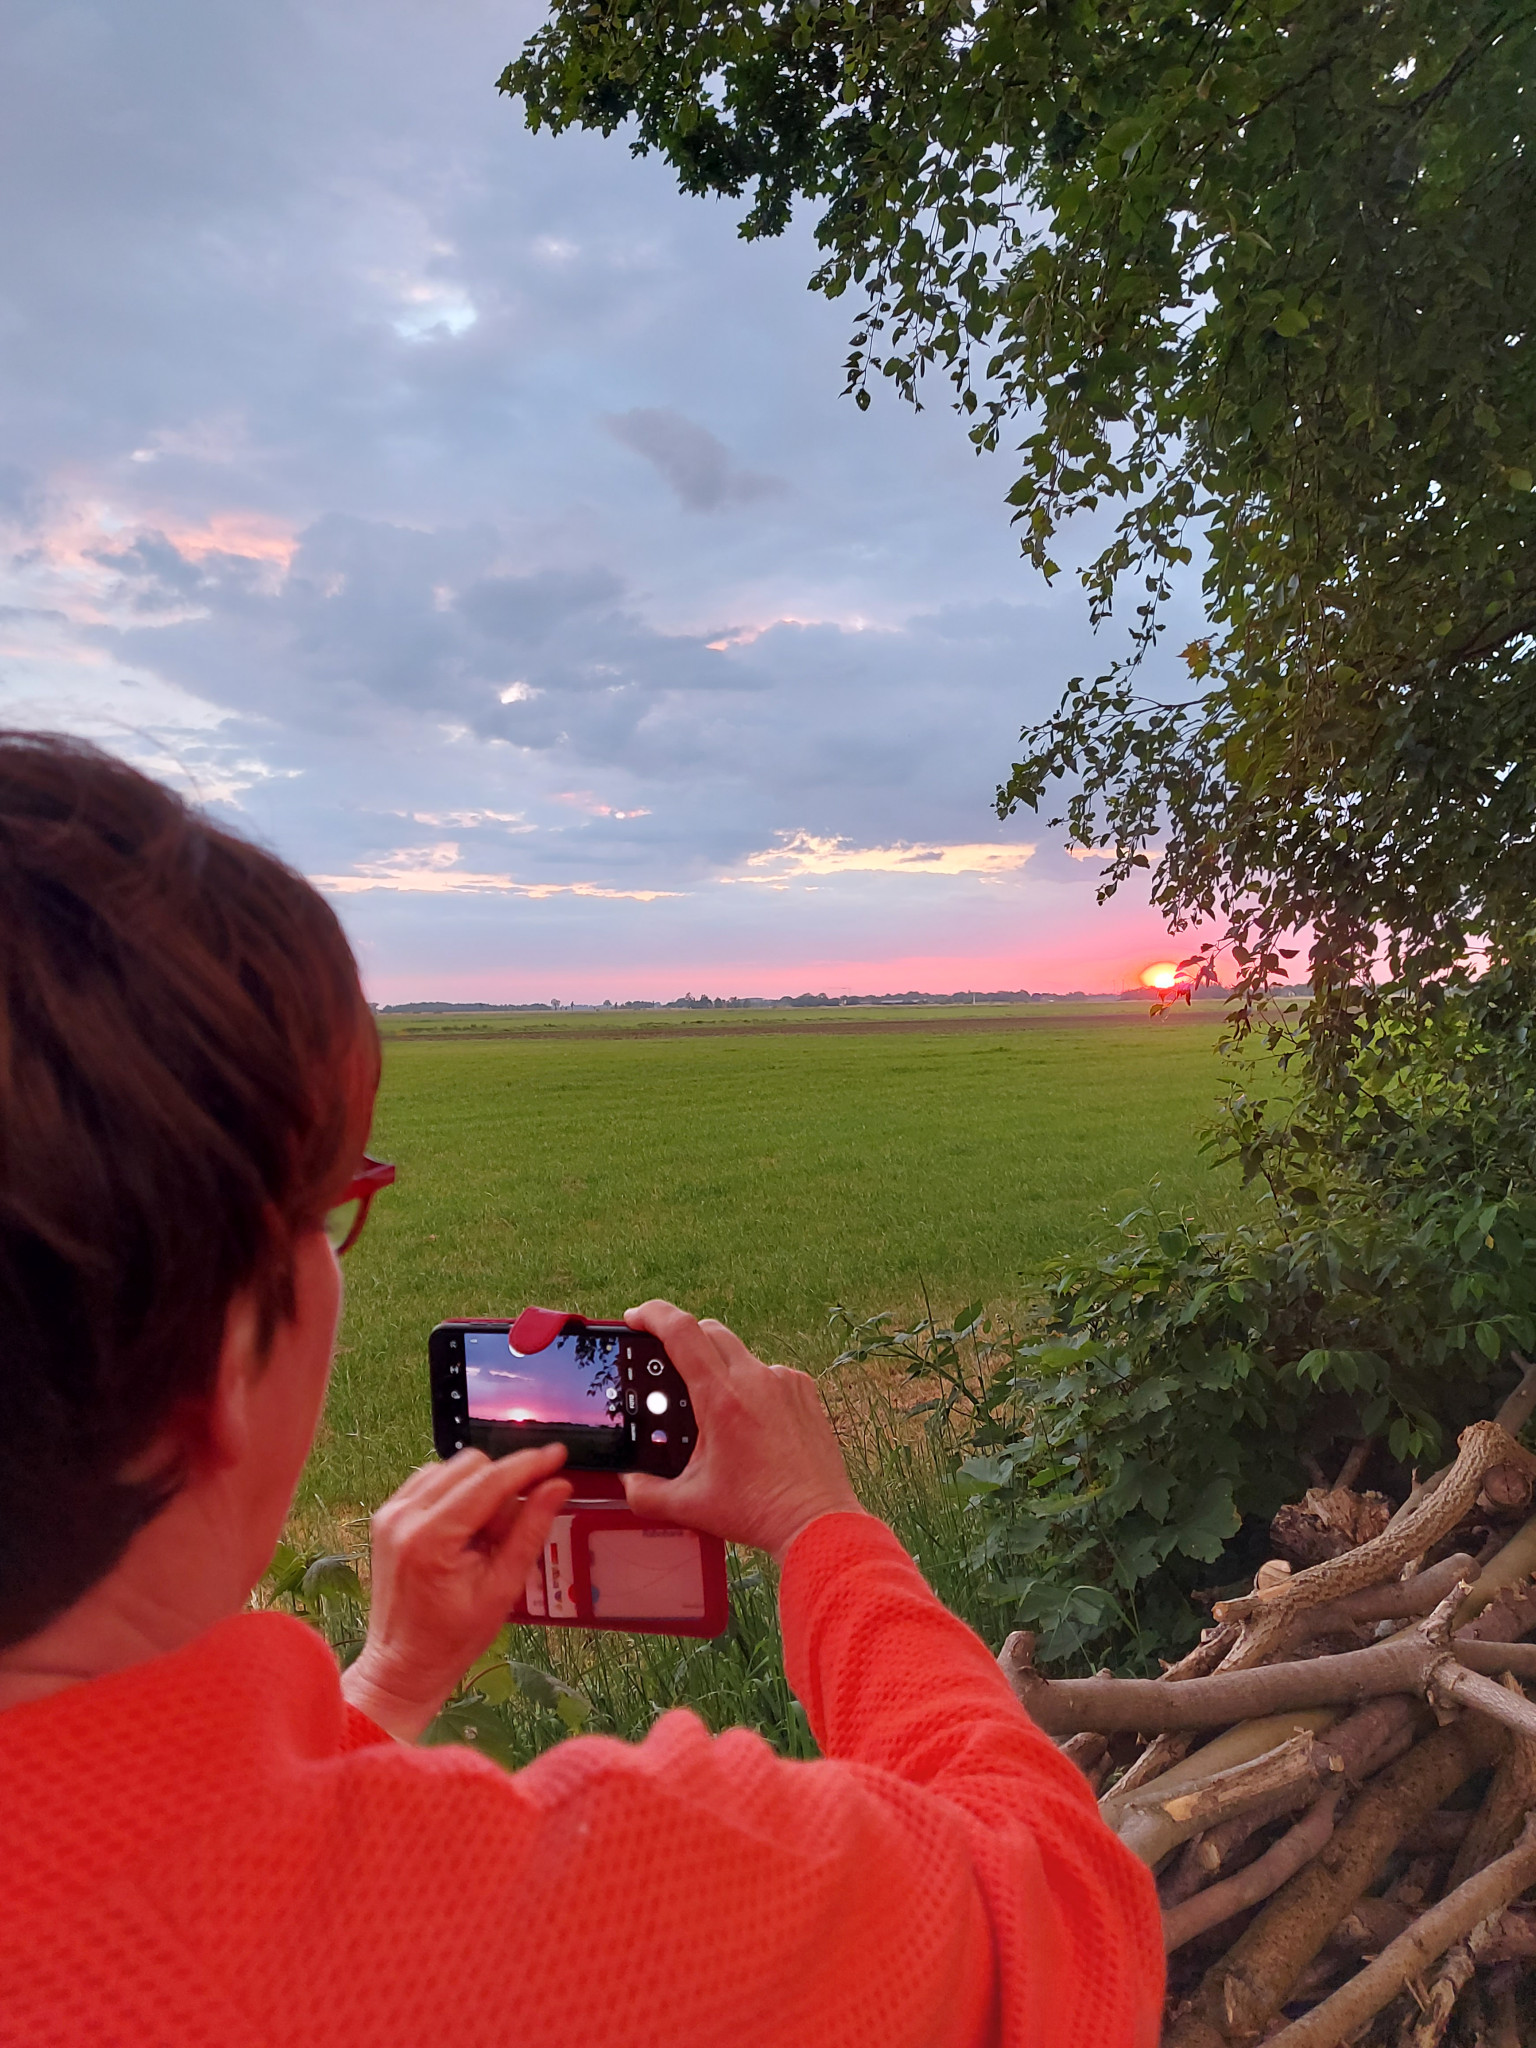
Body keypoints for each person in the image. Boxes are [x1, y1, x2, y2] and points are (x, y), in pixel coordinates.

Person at [0, 732, 1162, 2046]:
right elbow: (1065, 1923)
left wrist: (383, 1689)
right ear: (227, 1361)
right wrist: (824, 1530)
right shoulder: (577, 1916)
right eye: (330, 1208)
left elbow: (175, 1853)